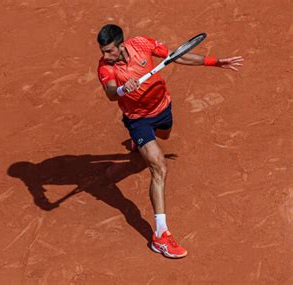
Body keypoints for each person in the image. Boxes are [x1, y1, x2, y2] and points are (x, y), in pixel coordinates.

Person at [96, 24, 243, 258]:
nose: (105, 56)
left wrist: (215, 62)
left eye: (109, 51)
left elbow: (177, 56)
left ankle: (142, 145)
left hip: (163, 108)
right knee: (159, 167)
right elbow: (111, 93)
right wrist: (124, 88)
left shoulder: (142, 44)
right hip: (138, 120)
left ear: (121, 45)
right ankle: (161, 236)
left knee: (164, 136)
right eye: (103, 51)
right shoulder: (106, 67)